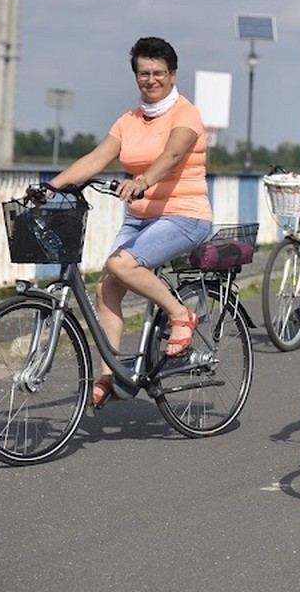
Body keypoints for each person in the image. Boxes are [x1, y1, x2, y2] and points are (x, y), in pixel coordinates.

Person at [45, 36, 214, 409]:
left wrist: (142, 181)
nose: (150, 80)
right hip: (140, 218)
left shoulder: (186, 114)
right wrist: (50, 187)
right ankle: (111, 373)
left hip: (185, 216)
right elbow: (96, 157)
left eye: (158, 73)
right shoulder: (129, 120)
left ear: (172, 74)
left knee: (120, 264)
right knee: (107, 287)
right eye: (143, 73)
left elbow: (171, 155)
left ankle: (180, 314)